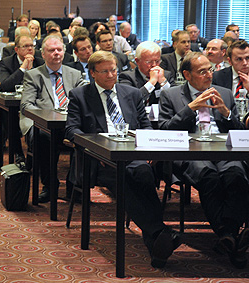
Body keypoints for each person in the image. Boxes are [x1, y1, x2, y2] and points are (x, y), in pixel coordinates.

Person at [66, 51, 181, 268]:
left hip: (132, 153)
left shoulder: (131, 93)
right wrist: (96, 147)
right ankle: (159, 233)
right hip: (99, 159)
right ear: (92, 73)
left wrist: (147, 148)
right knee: (123, 177)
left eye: (114, 70)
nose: (111, 75)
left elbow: (145, 126)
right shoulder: (80, 95)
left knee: (144, 173)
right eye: (105, 71)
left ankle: (157, 237)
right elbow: (72, 130)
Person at [158, 51, 249, 268]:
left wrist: (226, 113)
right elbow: (164, 130)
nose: (209, 75)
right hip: (190, 152)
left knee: (236, 175)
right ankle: (232, 237)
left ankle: (227, 235)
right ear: (187, 75)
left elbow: (239, 132)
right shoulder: (171, 95)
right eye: (202, 72)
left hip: (224, 150)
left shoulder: (224, 93)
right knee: (210, 178)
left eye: (210, 70)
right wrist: (191, 109)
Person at [21, 35, 84, 202]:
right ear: (43, 54)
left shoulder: (75, 74)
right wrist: (48, 116)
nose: (56, 53)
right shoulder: (33, 75)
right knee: (43, 137)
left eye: (59, 50)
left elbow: (85, 101)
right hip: (42, 124)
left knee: (85, 137)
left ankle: (74, 186)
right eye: (51, 50)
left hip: (69, 124)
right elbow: (26, 105)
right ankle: (50, 185)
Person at [118, 41, 173, 106]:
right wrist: (151, 83)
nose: (154, 65)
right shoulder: (127, 77)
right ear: (137, 61)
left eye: (157, 61)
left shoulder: (166, 75)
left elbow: (176, 101)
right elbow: (130, 101)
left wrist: (164, 82)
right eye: (149, 62)